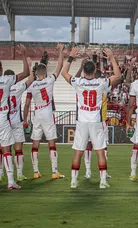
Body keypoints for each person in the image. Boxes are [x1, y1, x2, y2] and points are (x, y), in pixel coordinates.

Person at [61, 47, 121, 189]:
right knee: (100, 151)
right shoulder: (101, 82)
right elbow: (118, 76)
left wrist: (70, 56)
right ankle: (102, 181)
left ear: (83, 71)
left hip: (82, 122)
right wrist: (111, 58)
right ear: (94, 71)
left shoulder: (78, 82)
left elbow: (63, 72)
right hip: (96, 121)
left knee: (78, 152)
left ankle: (73, 181)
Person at [24, 43, 65, 179]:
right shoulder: (49, 81)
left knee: (35, 144)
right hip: (47, 114)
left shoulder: (31, 84)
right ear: (45, 72)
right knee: (51, 143)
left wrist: (25, 119)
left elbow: (27, 103)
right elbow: (59, 66)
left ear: (36, 73)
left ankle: (36, 172)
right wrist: (60, 51)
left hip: (37, 114)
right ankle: (54, 172)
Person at [74, 59, 113, 180]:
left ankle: (88, 171)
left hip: (85, 119)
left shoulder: (81, 84)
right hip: (100, 120)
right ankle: (102, 173)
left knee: (86, 146)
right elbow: (116, 78)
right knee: (102, 147)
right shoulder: (103, 86)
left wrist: (81, 67)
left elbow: (75, 79)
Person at [0, 44, 29, 189]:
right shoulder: (7, 80)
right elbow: (26, 72)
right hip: (3, 120)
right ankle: (11, 181)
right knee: (6, 150)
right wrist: (23, 55)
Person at [4, 57, 34, 182]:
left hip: (4, 121)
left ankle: (1, 174)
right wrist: (29, 66)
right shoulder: (19, 87)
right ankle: (20, 174)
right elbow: (31, 79)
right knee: (18, 149)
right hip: (17, 121)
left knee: (4, 149)